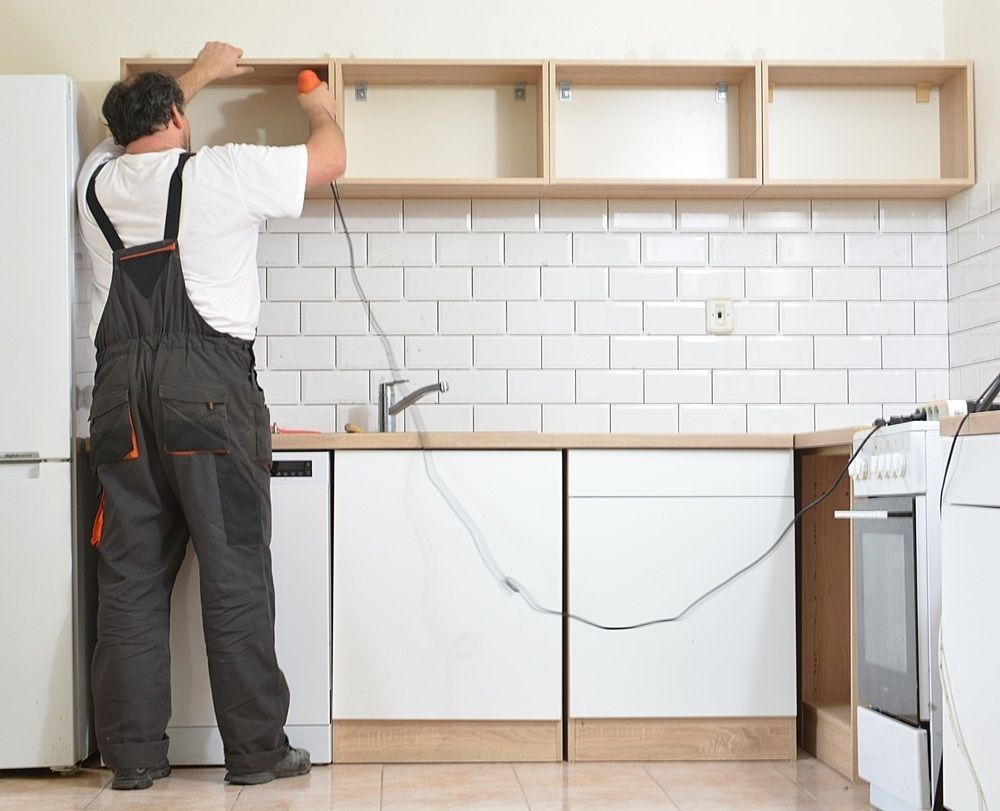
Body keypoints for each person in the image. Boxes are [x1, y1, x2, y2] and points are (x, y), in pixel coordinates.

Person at [76, 41, 345, 791]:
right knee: (232, 571)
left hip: (119, 398)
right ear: (175, 118)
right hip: (205, 392)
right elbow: (328, 162)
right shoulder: (220, 170)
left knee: (128, 577)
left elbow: (116, 133)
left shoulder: (93, 184)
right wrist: (322, 108)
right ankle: (256, 751)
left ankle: (132, 758)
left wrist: (184, 79)